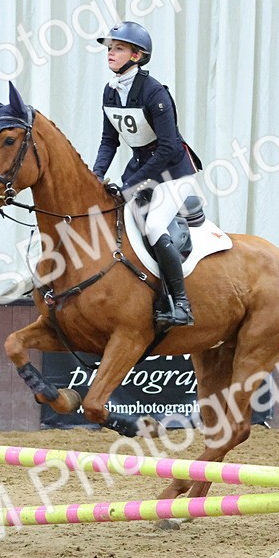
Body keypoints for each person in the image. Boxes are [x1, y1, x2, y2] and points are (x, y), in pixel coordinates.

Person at [92, 21, 199, 328]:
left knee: (152, 226)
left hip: (174, 174)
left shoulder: (155, 93)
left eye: (119, 48)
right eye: (110, 48)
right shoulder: (110, 92)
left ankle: (180, 304)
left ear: (136, 56)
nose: (111, 53)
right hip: (141, 170)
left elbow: (168, 149)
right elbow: (108, 141)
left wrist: (132, 184)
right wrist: (96, 174)